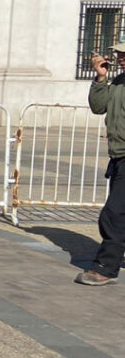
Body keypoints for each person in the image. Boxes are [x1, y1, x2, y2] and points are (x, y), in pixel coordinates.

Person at [74, 42, 125, 286]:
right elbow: (98, 106)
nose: (120, 57)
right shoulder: (117, 82)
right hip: (119, 156)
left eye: (124, 53)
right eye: (119, 53)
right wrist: (101, 77)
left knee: (114, 214)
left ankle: (105, 267)